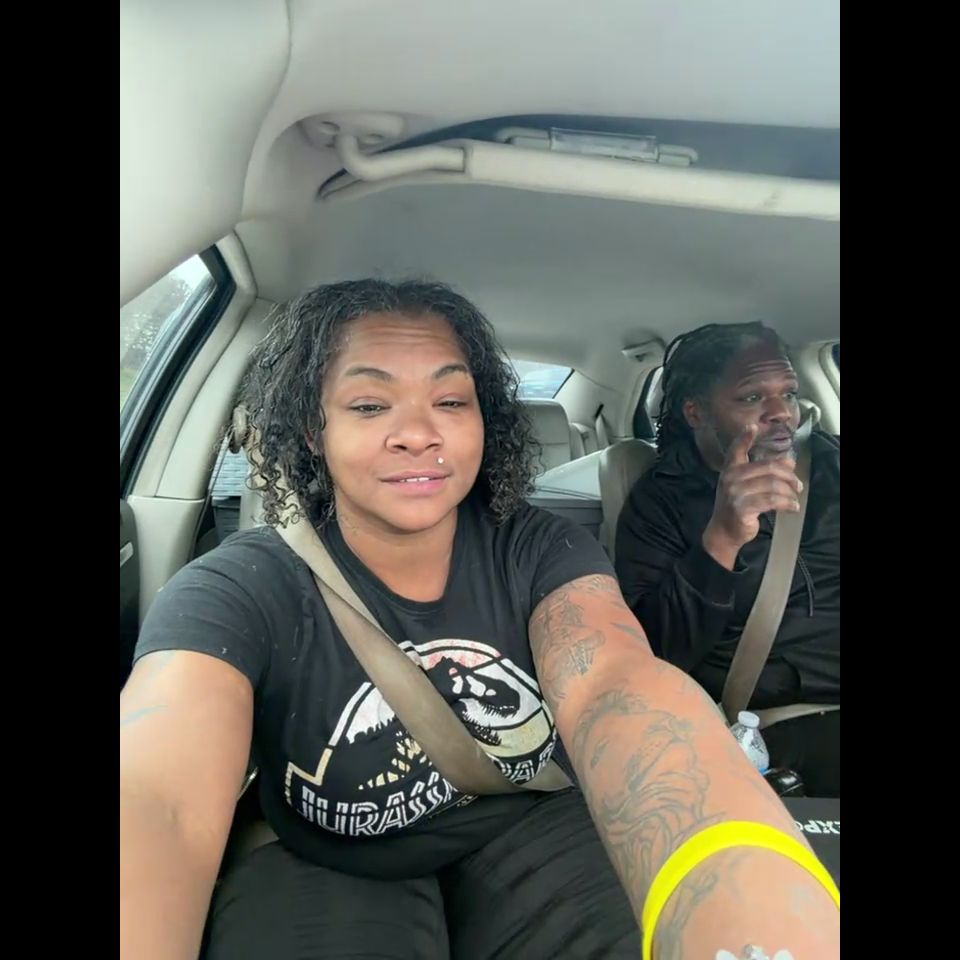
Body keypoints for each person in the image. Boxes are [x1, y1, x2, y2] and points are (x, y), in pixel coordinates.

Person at [120, 283, 839, 960]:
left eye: (450, 401)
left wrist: (741, 885)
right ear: (314, 428)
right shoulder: (237, 586)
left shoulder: (542, 548)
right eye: (369, 405)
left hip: (537, 823)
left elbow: (617, 686)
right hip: (326, 857)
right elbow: (160, 800)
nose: (417, 433)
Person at [615, 322, 840, 797]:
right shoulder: (659, 502)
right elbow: (653, 657)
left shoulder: (831, 463)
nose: (781, 413)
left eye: (788, 393)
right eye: (752, 398)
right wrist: (721, 540)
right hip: (773, 724)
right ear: (695, 412)